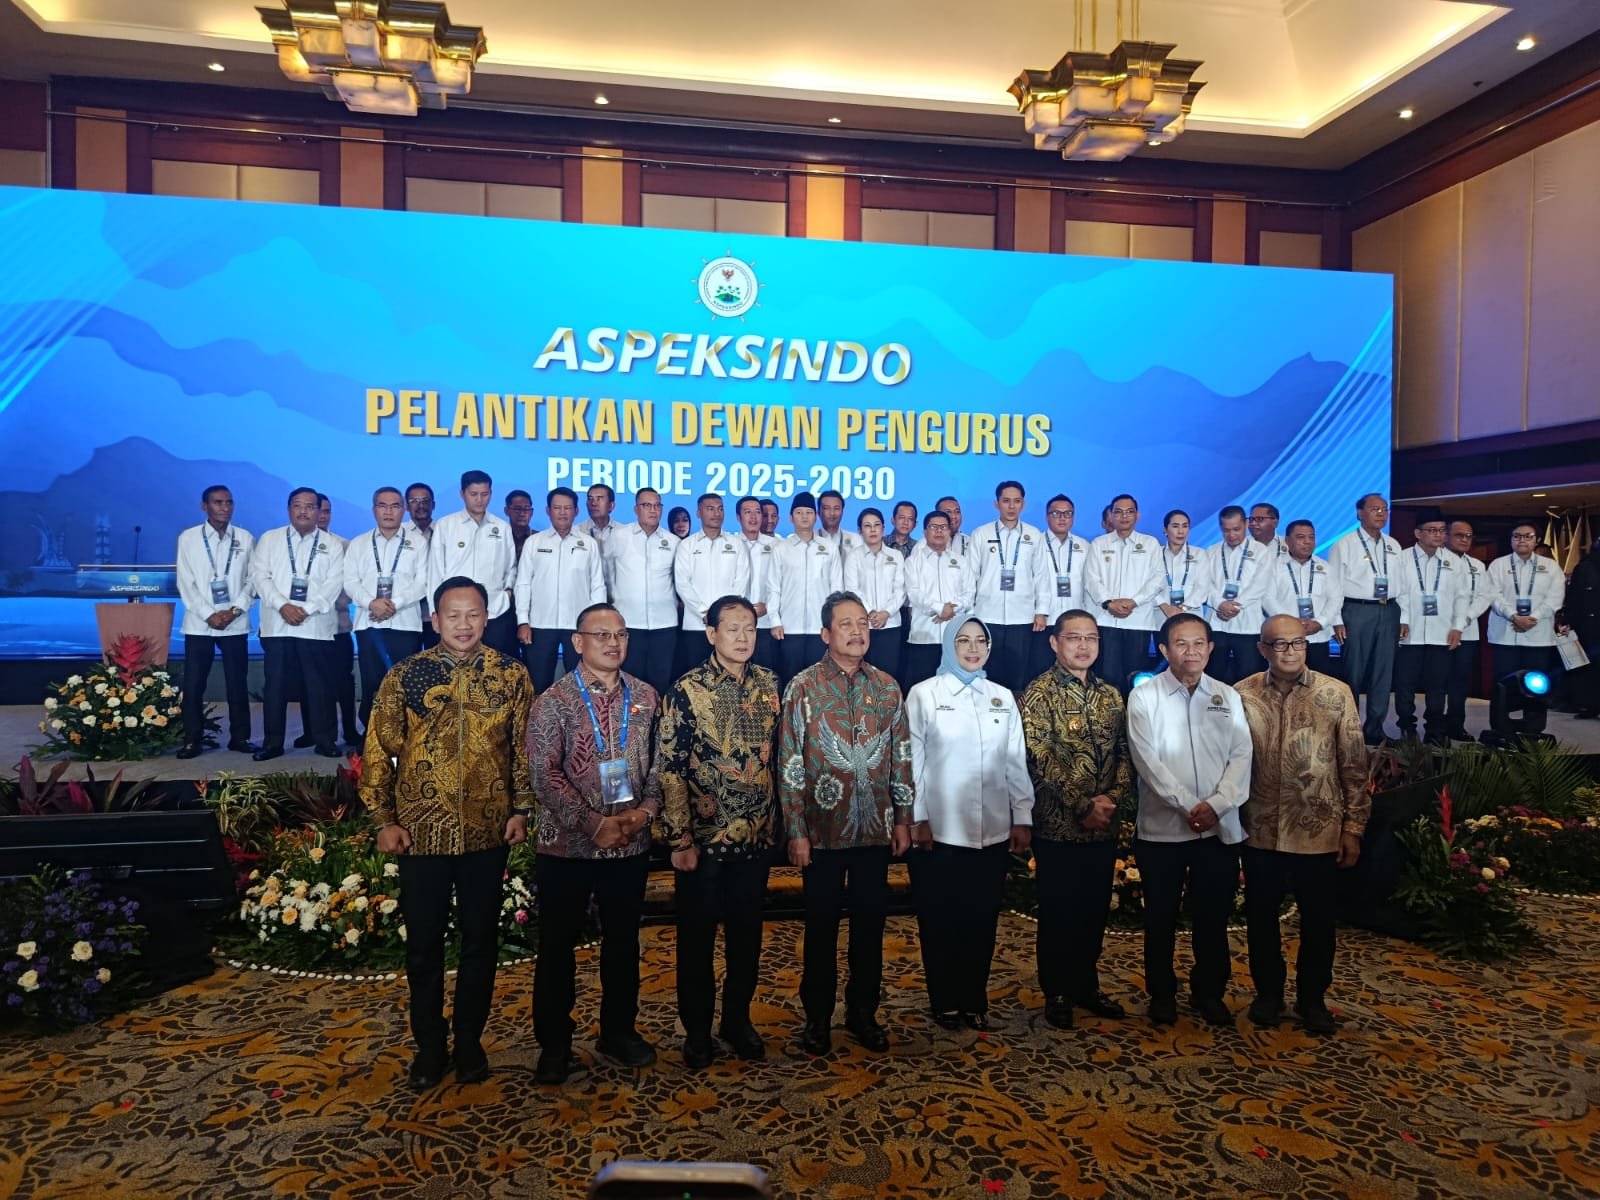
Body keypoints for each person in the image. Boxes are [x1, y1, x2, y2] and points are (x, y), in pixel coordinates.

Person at [360, 576, 533, 1088]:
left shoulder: (511, 675)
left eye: (473, 614)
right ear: (434, 620)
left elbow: (523, 749)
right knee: (424, 947)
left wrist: (522, 809)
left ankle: (471, 1042)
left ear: (487, 617)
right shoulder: (406, 675)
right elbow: (378, 749)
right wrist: (383, 819)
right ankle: (430, 1047)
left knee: (481, 942)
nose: (463, 624)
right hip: (420, 834)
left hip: (487, 832)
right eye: (453, 615)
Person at [527, 602, 663, 1084]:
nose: (612, 643)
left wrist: (646, 811)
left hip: (629, 843)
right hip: (566, 848)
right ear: (577, 642)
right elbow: (543, 775)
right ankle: (555, 1045)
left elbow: (660, 764)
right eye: (601, 634)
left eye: (620, 634)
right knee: (557, 947)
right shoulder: (553, 701)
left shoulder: (646, 696)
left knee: (623, 943)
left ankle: (618, 1032)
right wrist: (592, 824)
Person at [779, 591, 913, 1054]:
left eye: (862, 623)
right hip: (822, 833)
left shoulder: (888, 687)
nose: (857, 632)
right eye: (846, 624)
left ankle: (863, 1013)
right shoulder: (803, 688)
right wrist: (796, 830)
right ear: (825, 633)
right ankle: (817, 1018)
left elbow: (901, 758)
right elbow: (790, 762)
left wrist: (903, 818)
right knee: (820, 929)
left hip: (874, 831)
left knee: (870, 928)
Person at [656, 595, 782, 1068]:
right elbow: (670, 769)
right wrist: (680, 839)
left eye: (749, 628)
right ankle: (697, 1031)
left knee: (747, 940)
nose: (743, 637)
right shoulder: (687, 690)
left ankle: (737, 1021)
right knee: (697, 942)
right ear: (711, 633)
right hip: (704, 842)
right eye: (732, 628)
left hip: (756, 839)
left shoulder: (770, 684)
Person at [1235, 614, 1367, 1035]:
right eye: (1279, 644)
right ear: (1263, 648)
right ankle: (1268, 995)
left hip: (1318, 831)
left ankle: (1313, 999)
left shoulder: (1335, 693)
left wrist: (1353, 827)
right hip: (1259, 828)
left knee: (1319, 922)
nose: (1289, 652)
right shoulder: (1241, 694)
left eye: (1297, 643)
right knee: (1261, 918)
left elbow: (1354, 765)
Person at [1125, 613, 1252, 1027]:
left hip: (1218, 829)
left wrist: (1218, 804)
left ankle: (1209, 993)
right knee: (1160, 918)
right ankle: (1161, 994)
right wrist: (1188, 805)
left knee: (1212, 919)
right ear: (1165, 650)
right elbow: (1146, 760)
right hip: (1162, 831)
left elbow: (1242, 755)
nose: (1191, 651)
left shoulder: (1227, 696)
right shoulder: (1145, 697)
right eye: (1181, 644)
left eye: (1199, 643)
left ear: (1210, 648)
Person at [907, 614, 1033, 1029]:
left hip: (992, 831)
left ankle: (974, 1000)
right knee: (940, 921)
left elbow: (1015, 762)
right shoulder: (924, 694)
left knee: (981, 921)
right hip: (939, 832)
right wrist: (917, 818)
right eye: (963, 640)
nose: (973, 648)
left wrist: (1022, 816)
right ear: (949, 645)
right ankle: (944, 1000)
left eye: (981, 641)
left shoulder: (1002, 697)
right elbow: (913, 763)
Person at [1019, 608, 1133, 1029]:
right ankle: (1058, 991)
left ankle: (1087, 984)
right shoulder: (1039, 693)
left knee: (1093, 910)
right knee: (1059, 912)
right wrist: (1084, 805)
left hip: (1104, 827)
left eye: (1091, 638)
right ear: (1055, 643)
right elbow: (1039, 757)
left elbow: (1126, 753)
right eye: (1074, 638)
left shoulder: (1111, 694)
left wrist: (1112, 799)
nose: (1083, 646)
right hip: (1058, 826)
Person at [251, 487, 346, 761]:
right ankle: (272, 743)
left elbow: (334, 583)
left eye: (309, 506)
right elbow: (260, 577)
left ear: (318, 511)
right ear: (289, 509)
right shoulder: (270, 539)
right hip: (277, 624)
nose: (303, 511)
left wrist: (306, 609)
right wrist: (283, 605)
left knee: (320, 687)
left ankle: (325, 741)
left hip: (316, 626)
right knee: (276, 687)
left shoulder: (332, 545)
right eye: (297, 505)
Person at [175, 484, 256, 758]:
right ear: (204, 506)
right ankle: (192, 740)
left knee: (237, 683)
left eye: (229, 502)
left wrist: (235, 610)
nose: (225, 507)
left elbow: (252, 580)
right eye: (218, 502)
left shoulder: (245, 538)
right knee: (194, 685)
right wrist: (208, 614)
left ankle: (240, 738)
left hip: (235, 623)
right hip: (200, 624)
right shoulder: (188, 538)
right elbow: (185, 582)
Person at [345, 486, 429, 731]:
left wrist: (395, 604)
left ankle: (404, 736)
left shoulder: (418, 543)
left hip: (405, 624)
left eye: (395, 506)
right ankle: (372, 736)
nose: (389, 511)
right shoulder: (359, 543)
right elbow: (350, 582)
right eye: (382, 506)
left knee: (405, 685)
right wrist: (372, 603)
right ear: (374, 510)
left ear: (404, 510)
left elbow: (423, 582)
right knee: (372, 683)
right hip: (369, 623)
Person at [515, 486, 606, 692]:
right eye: (557, 508)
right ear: (548, 511)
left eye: (567, 508)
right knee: (538, 683)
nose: (562, 512)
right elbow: (523, 584)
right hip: (540, 624)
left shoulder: (588, 544)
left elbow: (597, 585)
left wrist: (597, 623)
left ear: (576, 511)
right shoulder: (534, 542)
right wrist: (523, 621)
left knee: (581, 684)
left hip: (579, 626)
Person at [1328, 494, 1403, 745]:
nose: (1381, 513)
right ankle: (1348, 729)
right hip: (1357, 610)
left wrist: (1403, 616)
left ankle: (1374, 728)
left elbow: (1402, 583)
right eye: (1374, 509)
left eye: (1384, 509)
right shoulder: (1345, 544)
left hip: (1389, 610)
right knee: (1354, 671)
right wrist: (1336, 619)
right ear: (1360, 513)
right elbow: (1334, 584)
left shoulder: (1393, 544)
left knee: (1383, 671)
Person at [1394, 510, 1467, 745]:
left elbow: (1461, 597)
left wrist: (1457, 627)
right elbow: (1399, 593)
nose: (1438, 535)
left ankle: (1435, 730)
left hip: (1441, 633)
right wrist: (1403, 619)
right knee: (1405, 685)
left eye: (1442, 531)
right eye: (1432, 530)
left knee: (1438, 687)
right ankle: (1407, 728)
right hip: (1409, 633)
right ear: (1418, 533)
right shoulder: (1402, 558)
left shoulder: (1453, 561)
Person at [427, 470, 518, 657]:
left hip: (494, 611)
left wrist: (507, 593)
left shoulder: (501, 527)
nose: (479, 500)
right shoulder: (446, 525)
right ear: (462, 494)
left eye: (484, 494)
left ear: (491, 494)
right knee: (454, 665)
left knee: (494, 666)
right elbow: (435, 572)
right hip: (455, 614)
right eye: (473, 494)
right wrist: (435, 612)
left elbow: (511, 567)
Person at [966, 481, 1046, 692]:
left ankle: (1015, 711)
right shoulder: (981, 534)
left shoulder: (1034, 535)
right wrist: (970, 612)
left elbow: (1041, 575)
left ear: (1023, 504)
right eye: (1006, 501)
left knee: (1018, 675)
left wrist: (1041, 611)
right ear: (997, 503)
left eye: (1016, 501)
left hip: (1022, 617)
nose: (1011, 506)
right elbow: (970, 576)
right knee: (986, 674)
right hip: (986, 615)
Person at [604, 488, 681, 697]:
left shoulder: (673, 541)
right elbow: (606, 572)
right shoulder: (618, 536)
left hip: (664, 624)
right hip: (629, 623)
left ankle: (658, 718)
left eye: (657, 505)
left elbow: (678, 579)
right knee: (629, 681)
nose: (653, 510)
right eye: (647, 505)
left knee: (660, 681)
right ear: (636, 509)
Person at [1083, 493, 1163, 694]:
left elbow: (1157, 579)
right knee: (1106, 676)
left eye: (1129, 512)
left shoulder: (1150, 544)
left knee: (1136, 678)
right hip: (1106, 620)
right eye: (1118, 512)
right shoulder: (1099, 544)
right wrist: (1108, 602)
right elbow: (1091, 579)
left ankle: (1134, 712)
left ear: (1138, 515)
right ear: (1111, 516)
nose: (1124, 516)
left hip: (1138, 621)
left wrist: (1134, 601)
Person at [768, 492, 843, 692]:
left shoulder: (829, 548)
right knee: (790, 682)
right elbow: (774, 587)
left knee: (820, 684)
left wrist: (833, 623)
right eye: (799, 512)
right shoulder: (781, 548)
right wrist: (775, 621)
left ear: (816, 517)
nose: (804, 517)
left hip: (820, 628)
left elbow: (836, 589)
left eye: (809, 512)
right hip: (789, 628)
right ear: (791, 517)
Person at [673, 494, 751, 680]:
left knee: (730, 676)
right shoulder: (687, 545)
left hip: (729, 626)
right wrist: (704, 613)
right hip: (696, 625)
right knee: (696, 679)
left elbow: (741, 581)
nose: (716, 513)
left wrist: (724, 614)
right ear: (699, 513)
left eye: (720, 509)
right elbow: (682, 583)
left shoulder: (736, 544)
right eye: (710, 509)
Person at [1486, 520, 1566, 681]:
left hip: (1539, 637)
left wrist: (1533, 618)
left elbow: (1555, 599)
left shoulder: (1551, 566)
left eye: (1528, 536)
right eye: (1517, 536)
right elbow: (1492, 595)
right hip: (1504, 636)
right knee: (1504, 685)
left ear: (1537, 540)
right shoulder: (1498, 565)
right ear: (1510, 540)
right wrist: (1514, 616)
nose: (1522, 540)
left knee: (1537, 685)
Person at [904, 510, 976, 689]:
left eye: (944, 527)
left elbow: (969, 594)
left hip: (954, 637)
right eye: (934, 527)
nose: (939, 531)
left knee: (954, 689)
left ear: (949, 531)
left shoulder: (961, 561)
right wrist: (939, 608)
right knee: (923, 690)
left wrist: (951, 609)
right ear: (924, 532)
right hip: (923, 636)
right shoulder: (913, 561)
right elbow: (914, 593)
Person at [1259, 520, 1340, 678]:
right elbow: (1267, 598)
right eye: (1301, 537)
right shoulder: (1273, 566)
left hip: (1317, 636)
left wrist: (1320, 622)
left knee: (1317, 683)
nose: (1307, 541)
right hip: (1284, 639)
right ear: (1287, 541)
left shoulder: (1325, 567)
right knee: (1283, 682)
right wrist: (1291, 623)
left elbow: (1335, 598)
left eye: (1311, 537)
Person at [1205, 505, 1271, 684]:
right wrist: (1220, 604)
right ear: (1220, 528)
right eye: (1226, 530)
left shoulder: (1261, 551)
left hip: (1248, 625)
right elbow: (1204, 584)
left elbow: (1260, 585)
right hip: (1217, 625)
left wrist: (1234, 606)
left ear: (1246, 524)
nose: (1231, 535)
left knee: (1250, 679)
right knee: (1213, 677)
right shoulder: (1211, 552)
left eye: (1236, 529)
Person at [316, 494, 361, 750]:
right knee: (315, 682)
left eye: (327, 511)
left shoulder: (344, 545)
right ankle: (316, 733)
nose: (323, 516)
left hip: (339, 625)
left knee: (344, 681)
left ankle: (350, 730)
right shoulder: (293, 545)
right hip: (310, 628)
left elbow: (350, 585)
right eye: (319, 510)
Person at [1031, 493, 1092, 679]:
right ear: (1046, 516)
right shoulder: (1036, 543)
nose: (1062, 518)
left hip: (1075, 621)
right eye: (1056, 513)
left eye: (1068, 514)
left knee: (1073, 671)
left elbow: (1089, 583)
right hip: (1044, 621)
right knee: (1042, 671)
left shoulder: (1084, 546)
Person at [844, 507, 908, 683]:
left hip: (891, 624)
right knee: (862, 676)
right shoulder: (854, 556)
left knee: (889, 676)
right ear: (860, 531)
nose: (873, 530)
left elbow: (900, 589)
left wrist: (886, 612)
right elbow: (852, 589)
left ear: (883, 528)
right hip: (863, 626)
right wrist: (870, 612)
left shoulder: (895, 556)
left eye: (877, 525)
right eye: (867, 526)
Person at [1443, 519, 1493, 738]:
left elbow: (1485, 596)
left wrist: (1466, 617)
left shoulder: (1477, 566)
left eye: (1469, 536)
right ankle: (1435, 726)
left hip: (1468, 631)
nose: (1464, 539)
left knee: (1461, 680)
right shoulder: (1437, 561)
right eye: (1459, 535)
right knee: (1437, 680)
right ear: (1446, 536)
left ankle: (1455, 724)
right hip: (1439, 629)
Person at [734, 495, 780, 674]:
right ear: (738, 517)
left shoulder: (777, 546)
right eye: (747, 512)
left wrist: (769, 607)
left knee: (766, 676)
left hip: (766, 623)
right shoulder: (730, 544)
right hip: (737, 623)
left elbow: (784, 584)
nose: (753, 517)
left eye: (757, 512)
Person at [1156, 509, 1211, 628]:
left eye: (1185, 526)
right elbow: (1148, 586)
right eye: (1175, 526)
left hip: (1192, 618)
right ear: (1165, 530)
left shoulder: (1199, 554)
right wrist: (1165, 606)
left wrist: (1184, 608)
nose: (1181, 531)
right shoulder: (1155, 554)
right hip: (1161, 618)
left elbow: (1203, 587)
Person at [1567, 535, 1600, 719]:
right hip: (1588, 625)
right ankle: (1589, 705)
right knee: (1588, 666)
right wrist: (1569, 620)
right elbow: (1574, 597)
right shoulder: (1584, 568)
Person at [404, 482, 439, 648]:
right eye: (414, 501)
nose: (421, 506)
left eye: (425, 501)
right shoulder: (399, 533)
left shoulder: (445, 531)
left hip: (438, 613)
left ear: (433, 505)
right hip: (406, 613)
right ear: (406, 506)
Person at [816, 489, 861, 560]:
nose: (832, 513)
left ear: (842, 512)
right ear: (818, 512)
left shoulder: (855, 540)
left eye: (836, 508)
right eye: (827, 508)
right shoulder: (810, 539)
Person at [576, 483, 618, 548]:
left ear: (611, 505)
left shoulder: (623, 532)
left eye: (599, 499)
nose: (593, 503)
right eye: (590, 499)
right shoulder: (577, 532)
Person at [504, 490, 536, 567]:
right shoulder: (500, 537)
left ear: (531, 512)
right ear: (506, 511)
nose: (522, 514)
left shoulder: (539, 539)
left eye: (527, 509)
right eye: (517, 509)